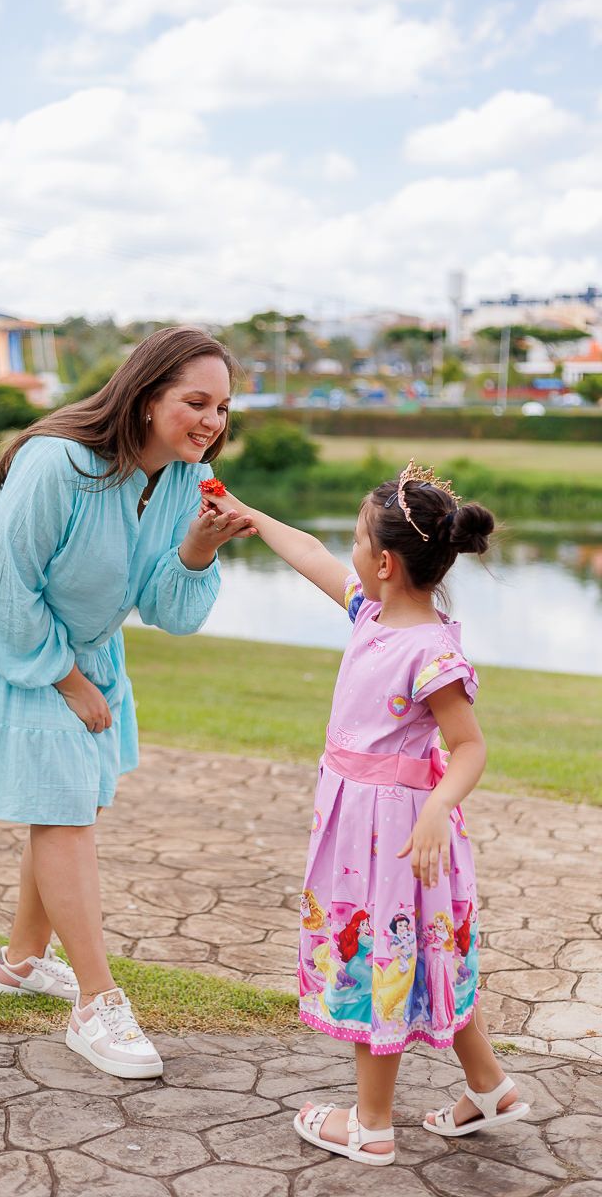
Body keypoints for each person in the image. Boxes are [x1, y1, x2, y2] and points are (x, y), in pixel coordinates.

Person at [0, 326, 255, 1080]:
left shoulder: (181, 480)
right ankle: (97, 1004)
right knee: (64, 806)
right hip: (9, 626)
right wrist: (67, 679)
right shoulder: (57, 462)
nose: (212, 421)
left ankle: (22, 962)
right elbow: (8, 588)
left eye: (223, 407)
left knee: (69, 800)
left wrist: (199, 548)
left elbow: (167, 609)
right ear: (145, 396)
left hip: (85, 636)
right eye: (196, 402)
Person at [201, 460, 530, 1165]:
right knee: (427, 950)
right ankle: (490, 1086)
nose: (346, 549)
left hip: (398, 836)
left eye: (356, 539)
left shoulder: (430, 651)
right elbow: (308, 552)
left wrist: (439, 807)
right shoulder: (370, 612)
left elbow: (470, 747)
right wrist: (247, 513)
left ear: (384, 563)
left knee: (381, 952)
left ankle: (371, 1124)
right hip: (361, 825)